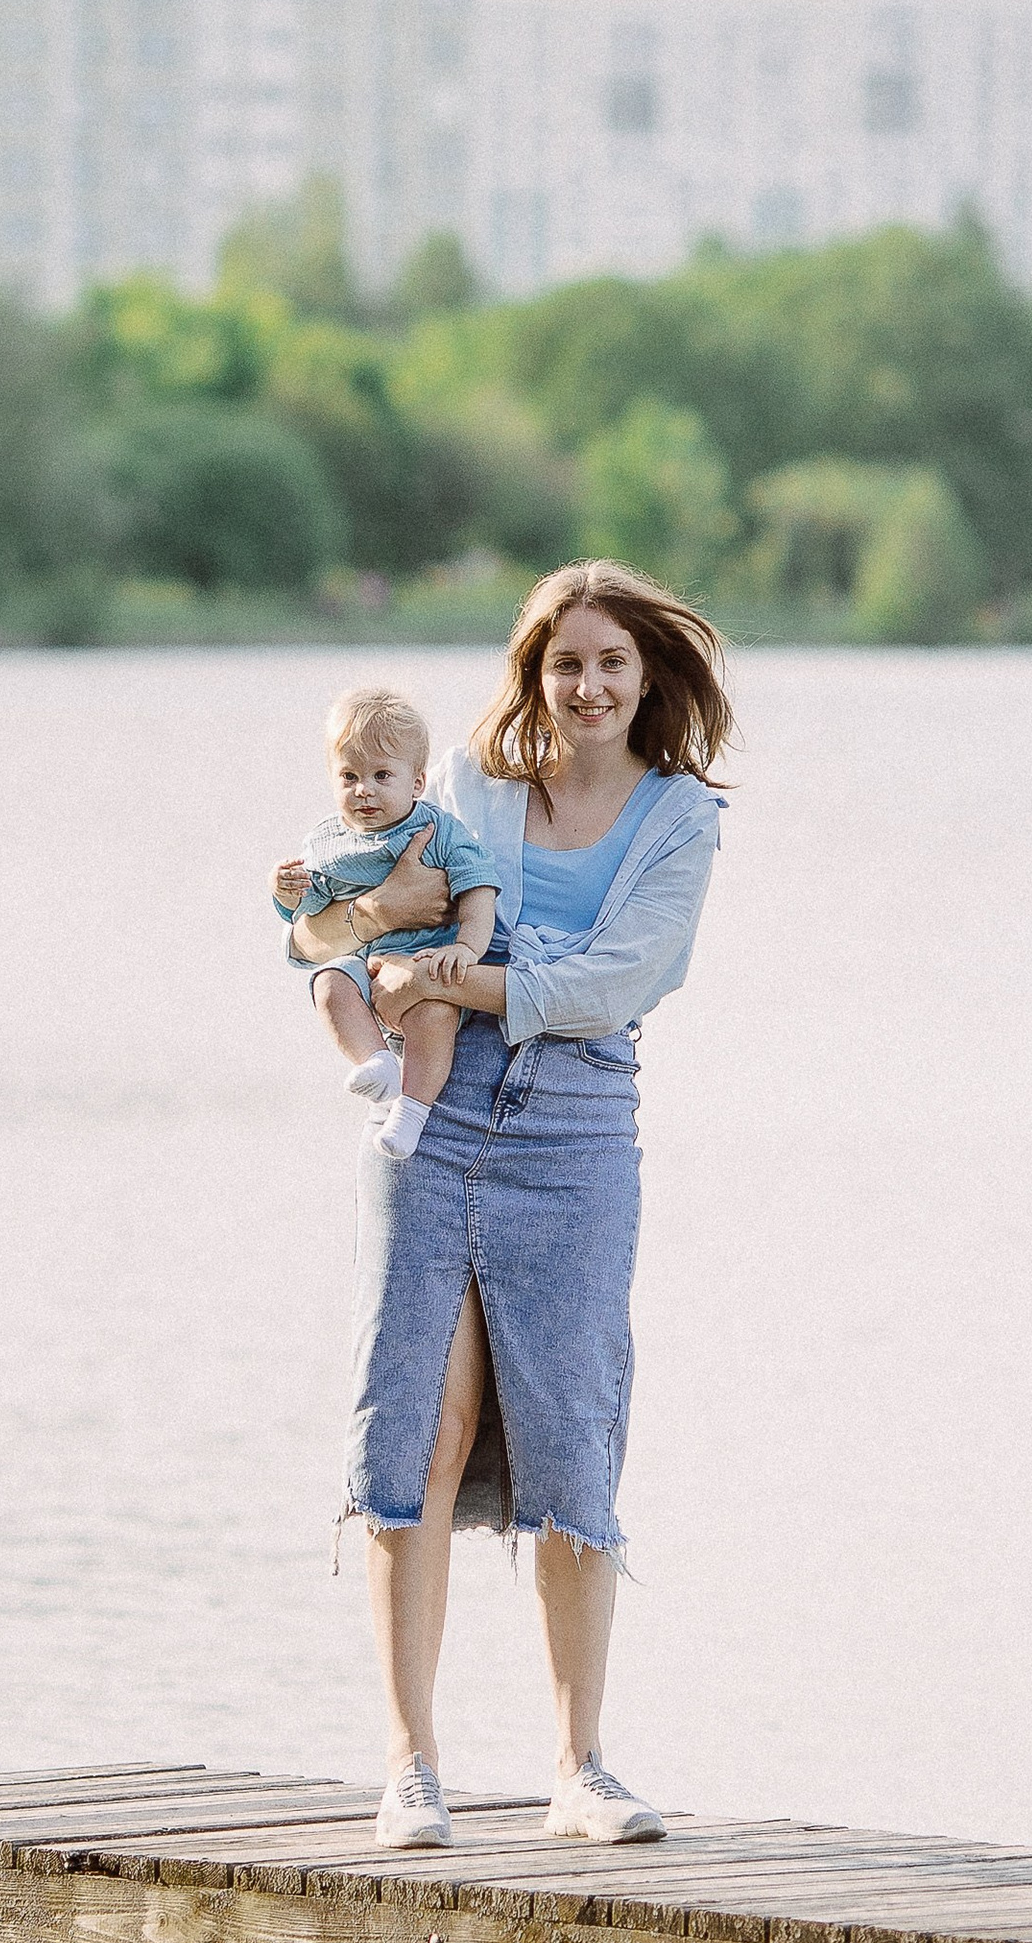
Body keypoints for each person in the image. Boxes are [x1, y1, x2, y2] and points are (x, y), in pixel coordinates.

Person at [280, 559, 733, 1855]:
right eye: (564, 664)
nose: (587, 686)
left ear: (644, 677)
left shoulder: (680, 818)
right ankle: (410, 1768)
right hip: (429, 1122)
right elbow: (319, 936)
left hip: (578, 1135)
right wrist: (386, 923)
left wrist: (452, 970)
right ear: (534, 677)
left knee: (569, 1437)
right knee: (421, 1422)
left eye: (609, 664)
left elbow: (615, 981)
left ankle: (580, 1767)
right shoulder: (468, 789)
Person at [272, 685, 501, 1162]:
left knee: (434, 1016)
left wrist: (467, 948)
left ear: (417, 783)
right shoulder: (328, 843)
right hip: (364, 965)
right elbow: (309, 917)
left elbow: (479, 886)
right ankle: (374, 1059)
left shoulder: (436, 831)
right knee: (328, 983)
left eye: (381, 776)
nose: (364, 790)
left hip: (426, 964)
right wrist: (285, 892)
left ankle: (412, 1112)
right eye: (349, 776)